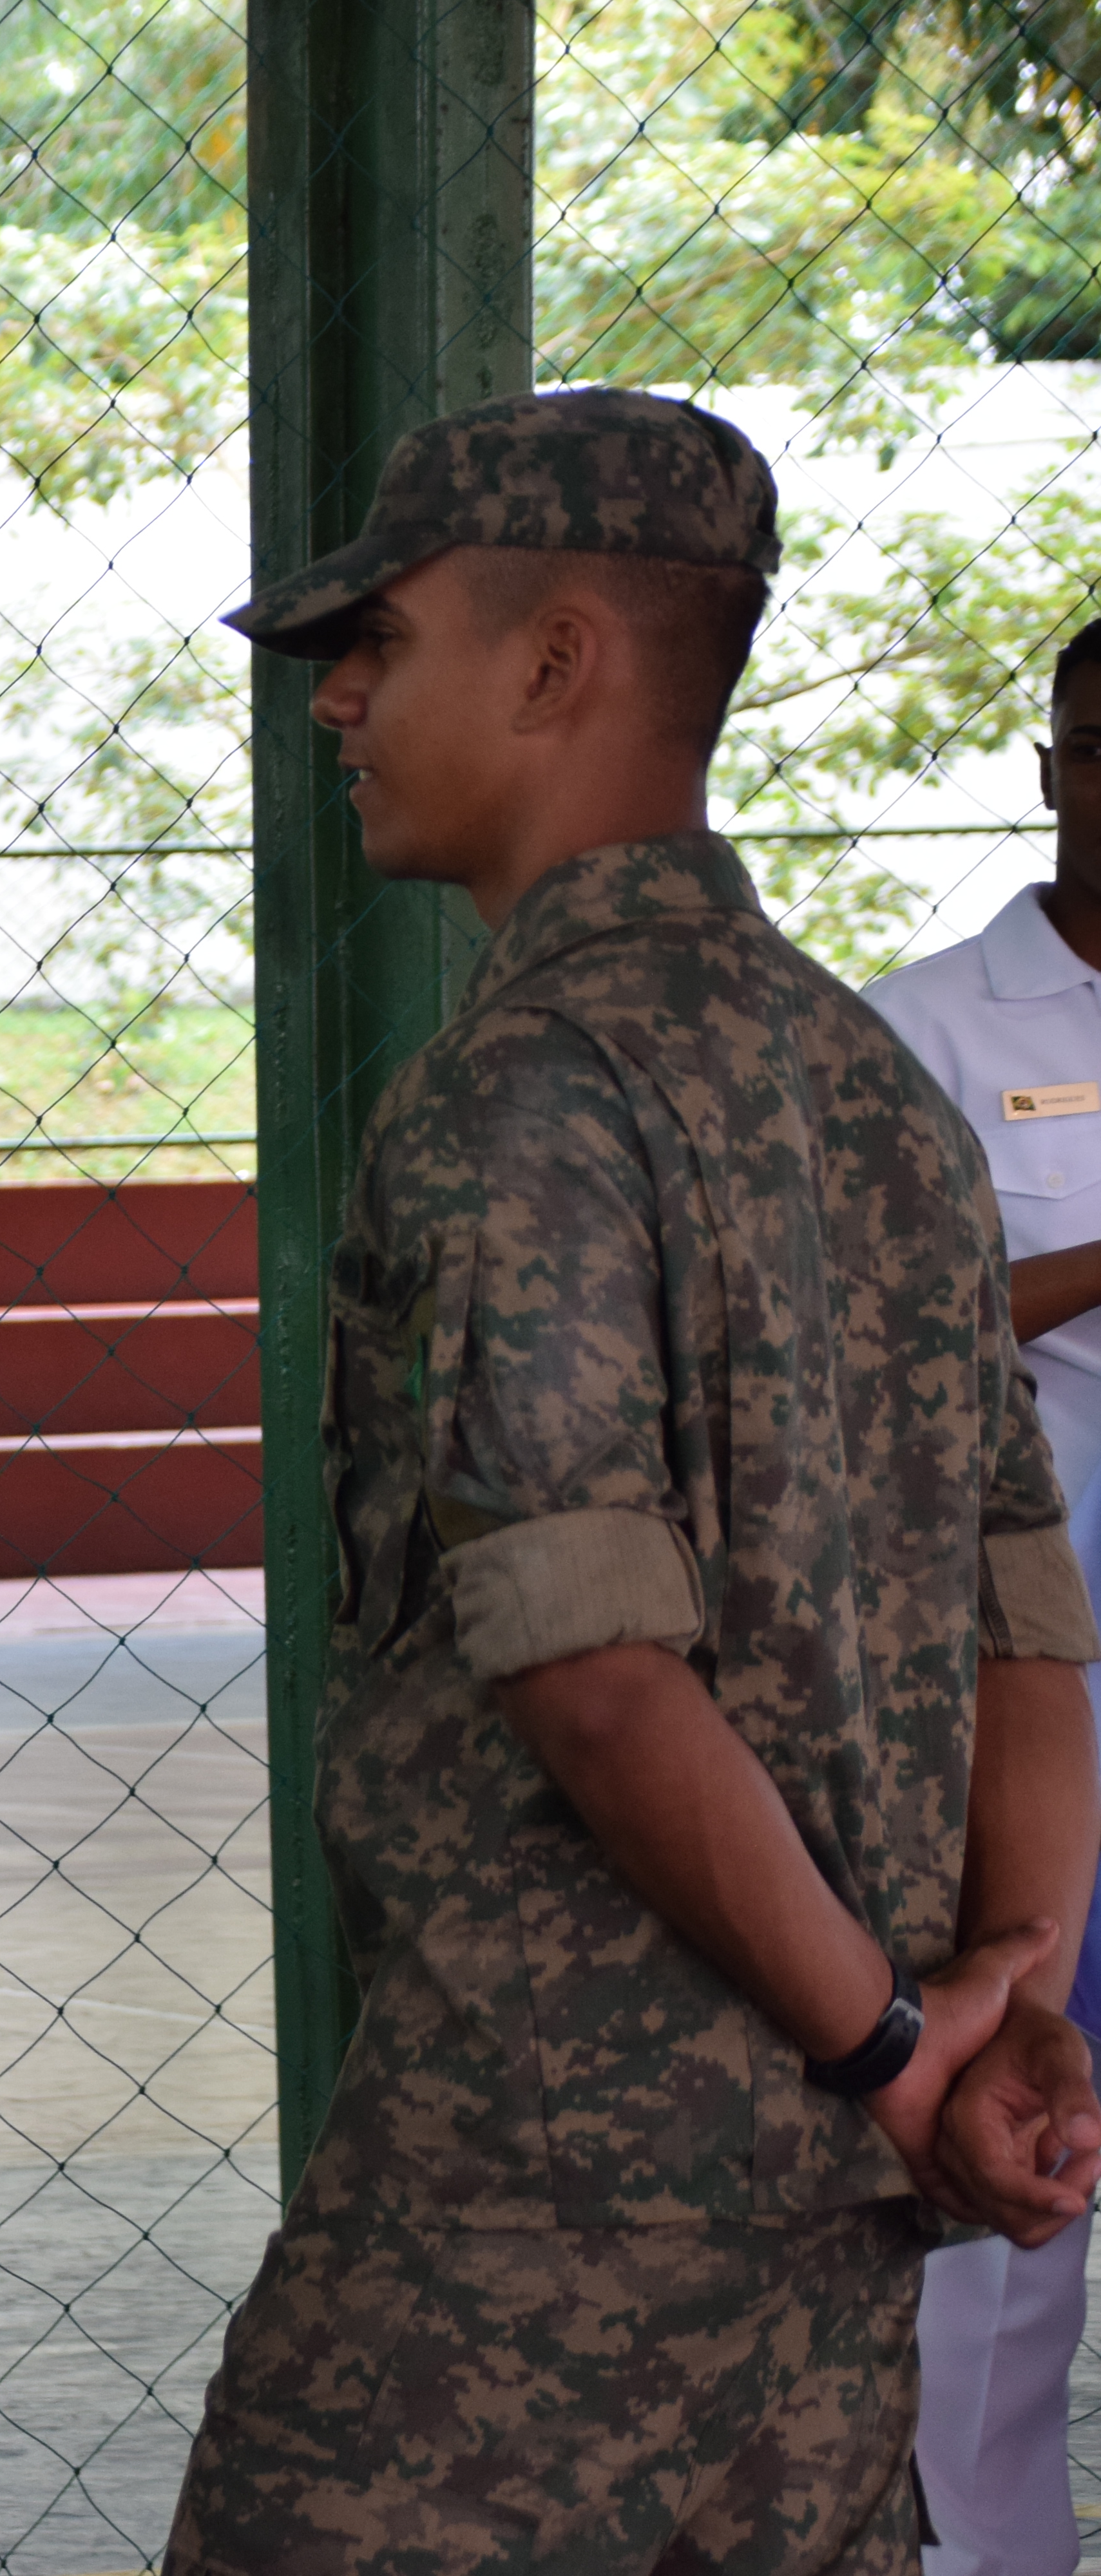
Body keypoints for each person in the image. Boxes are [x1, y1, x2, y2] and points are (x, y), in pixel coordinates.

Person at [166, 386, 1101, 2573]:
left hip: (527, 2214)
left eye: (378, 643)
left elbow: (593, 1672)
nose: (345, 709)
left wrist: (901, 2046)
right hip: (817, 2238)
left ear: (560, 659)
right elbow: (1028, 1612)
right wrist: (1010, 2000)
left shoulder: (520, 1089)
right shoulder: (870, 1084)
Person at [862, 612, 1101, 2576]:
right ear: (1047, 766)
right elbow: (893, 1332)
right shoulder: (928, 1027)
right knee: (1010, 2215)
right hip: (1031, 1708)